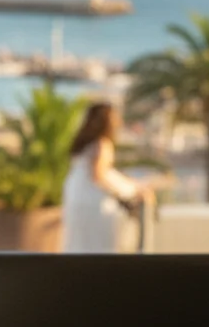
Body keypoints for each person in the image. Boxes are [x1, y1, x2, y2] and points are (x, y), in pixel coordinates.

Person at [62, 102, 155, 253]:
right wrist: (132, 189)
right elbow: (100, 175)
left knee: (80, 244)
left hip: (76, 197)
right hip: (93, 203)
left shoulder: (83, 144)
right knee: (98, 245)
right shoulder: (101, 144)